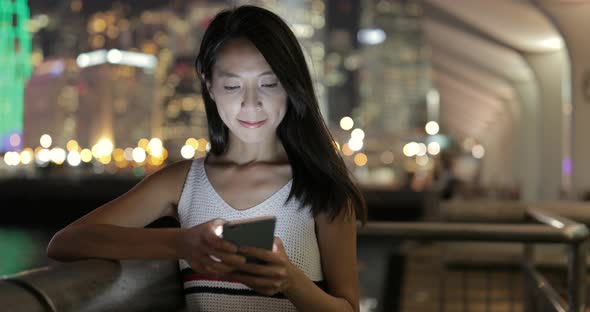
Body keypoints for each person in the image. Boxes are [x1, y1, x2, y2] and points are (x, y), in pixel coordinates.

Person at [47, 5, 367, 312]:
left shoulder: (320, 187)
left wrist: (292, 281)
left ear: (290, 86)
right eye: (232, 85)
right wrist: (182, 243)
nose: (251, 102)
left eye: (269, 84)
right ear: (209, 85)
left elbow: (347, 308)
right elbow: (67, 242)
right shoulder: (184, 182)